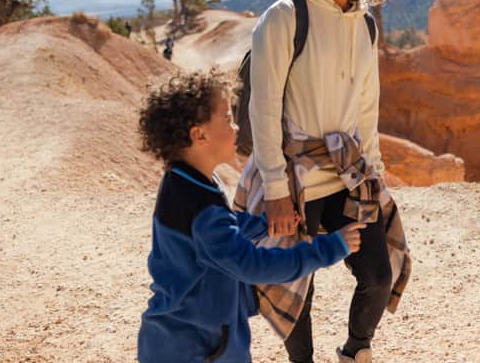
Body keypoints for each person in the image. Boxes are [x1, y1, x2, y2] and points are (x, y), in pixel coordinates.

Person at [238, 0, 411, 363]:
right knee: (300, 284)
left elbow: (366, 107)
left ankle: (355, 350)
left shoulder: (364, 24)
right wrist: (275, 186)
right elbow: (264, 104)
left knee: (377, 272)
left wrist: (372, 170)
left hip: (347, 171)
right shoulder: (285, 16)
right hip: (294, 176)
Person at [137, 68, 365, 363]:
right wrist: (331, 248)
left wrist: (265, 226)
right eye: (227, 118)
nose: (236, 128)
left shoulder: (185, 182)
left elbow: (224, 230)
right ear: (199, 134)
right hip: (195, 349)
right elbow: (253, 265)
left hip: (181, 341)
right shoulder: (200, 204)